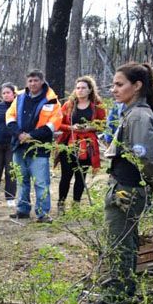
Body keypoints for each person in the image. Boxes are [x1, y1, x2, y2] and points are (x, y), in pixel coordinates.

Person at [85, 63, 153, 304]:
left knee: (120, 243)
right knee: (125, 241)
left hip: (128, 189)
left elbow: (145, 158)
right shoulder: (130, 113)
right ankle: (124, 290)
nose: (113, 89)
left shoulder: (139, 116)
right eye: (113, 84)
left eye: (119, 84)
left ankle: (116, 299)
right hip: (123, 185)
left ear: (137, 85)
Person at [6, 69, 62, 223]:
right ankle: (22, 210)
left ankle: (43, 213)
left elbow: (53, 124)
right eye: (30, 81)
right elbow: (9, 117)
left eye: (36, 80)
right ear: (26, 82)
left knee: (41, 182)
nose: (32, 83)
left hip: (40, 148)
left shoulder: (52, 101)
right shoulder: (20, 98)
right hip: (19, 145)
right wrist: (19, 134)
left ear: (42, 81)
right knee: (21, 180)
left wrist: (31, 135)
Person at [55, 76, 107, 213]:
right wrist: (71, 127)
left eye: (83, 88)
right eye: (78, 88)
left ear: (90, 90)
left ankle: (76, 204)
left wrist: (90, 127)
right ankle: (61, 203)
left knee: (81, 176)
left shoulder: (97, 105)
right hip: (69, 143)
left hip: (87, 145)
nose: (80, 90)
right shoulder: (69, 104)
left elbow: (102, 124)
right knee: (66, 175)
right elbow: (58, 123)